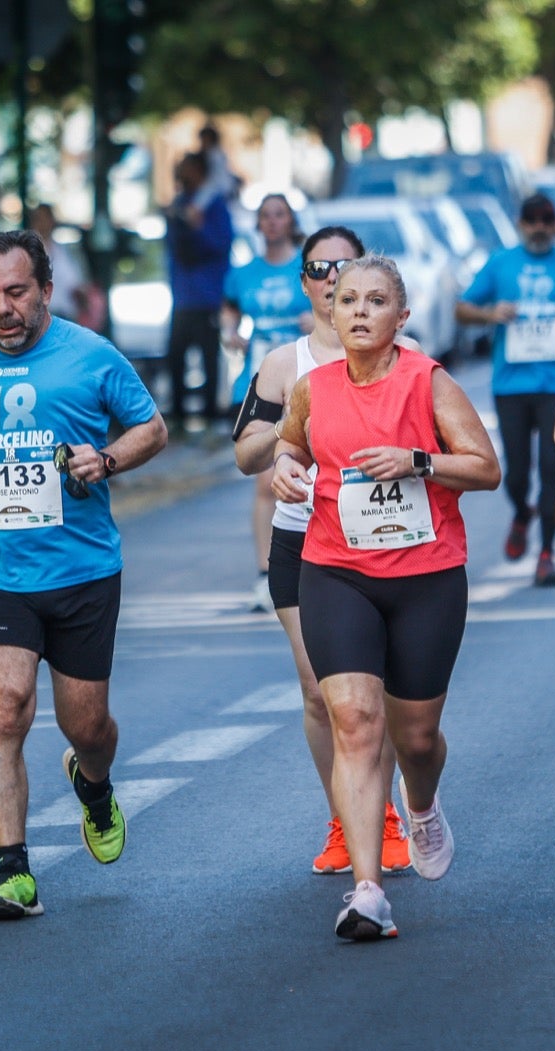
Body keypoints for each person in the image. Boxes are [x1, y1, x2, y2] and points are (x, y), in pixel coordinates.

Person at [0, 230, 167, 920]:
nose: (2, 308)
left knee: (86, 727)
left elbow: (152, 429)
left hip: (83, 568)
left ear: (46, 291)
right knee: (4, 706)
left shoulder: (92, 355)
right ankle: (11, 871)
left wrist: (107, 460)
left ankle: (94, 784)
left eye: (16, 292)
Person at [269, 256, 501, 939]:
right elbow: (290, 448)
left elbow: (485, 468)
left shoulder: (428, 381)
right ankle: (367, 890)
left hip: (426, 577)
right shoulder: (313, 388)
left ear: (402, 318)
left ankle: (422, 805)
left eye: (376, 301)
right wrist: (286, 469)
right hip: (336, 570)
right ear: (331, 313)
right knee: (356, 723)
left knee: (416, 737)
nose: (361, 311)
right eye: (348, 301)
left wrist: (418, 461)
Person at [233, 226, 413, 876]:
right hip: (301, 539)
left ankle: (389, 811)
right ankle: (346, 819)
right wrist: (289, 434)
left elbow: (445, 449)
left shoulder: (409, 354)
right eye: (318, 267)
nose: (332, 275)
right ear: (307, 283)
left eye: (345, 264)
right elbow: (244, 452)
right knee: (320, 693)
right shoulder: (285, 364)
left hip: (384, 543)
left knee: (378, 693)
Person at [457, 192, 555, 586]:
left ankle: (545, 554)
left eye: (547, 220)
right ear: (519, 223)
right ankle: (521, 512)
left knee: (551, 471)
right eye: (532, 221)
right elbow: (460, 308)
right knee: (515, 474)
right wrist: (489, 313)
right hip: (511, 383)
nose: (540, 228)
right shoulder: (501, 263)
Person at [221, 194, 311, 611]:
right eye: (266, 216)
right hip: (255, 384)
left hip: (302, 380)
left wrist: (318, 318)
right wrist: (230, 331)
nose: (272, 222)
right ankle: (266, 572)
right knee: (264, 478)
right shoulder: (243, 274)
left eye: (280, 215)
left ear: (290, 221)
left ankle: (311, 563)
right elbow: (228, 309)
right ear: (258, 224)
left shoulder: (306, 269)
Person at [164, 152, 234, 427]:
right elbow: (174, 248)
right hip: (182, 297)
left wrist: (197, 228)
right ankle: (179, 417)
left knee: (208, 358)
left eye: (187, 170)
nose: (182, 175)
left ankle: (209, 414)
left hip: (207, 297)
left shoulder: (213, 205)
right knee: (176, 358)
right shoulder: (179, 204)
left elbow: (220, 244)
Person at [27, 204, 92, 323]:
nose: (43, 223)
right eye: (39, 219)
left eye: (46, 219)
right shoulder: (27, 254)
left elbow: (76, 282)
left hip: (66, 316)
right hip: (41, 319)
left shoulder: (64, 251)